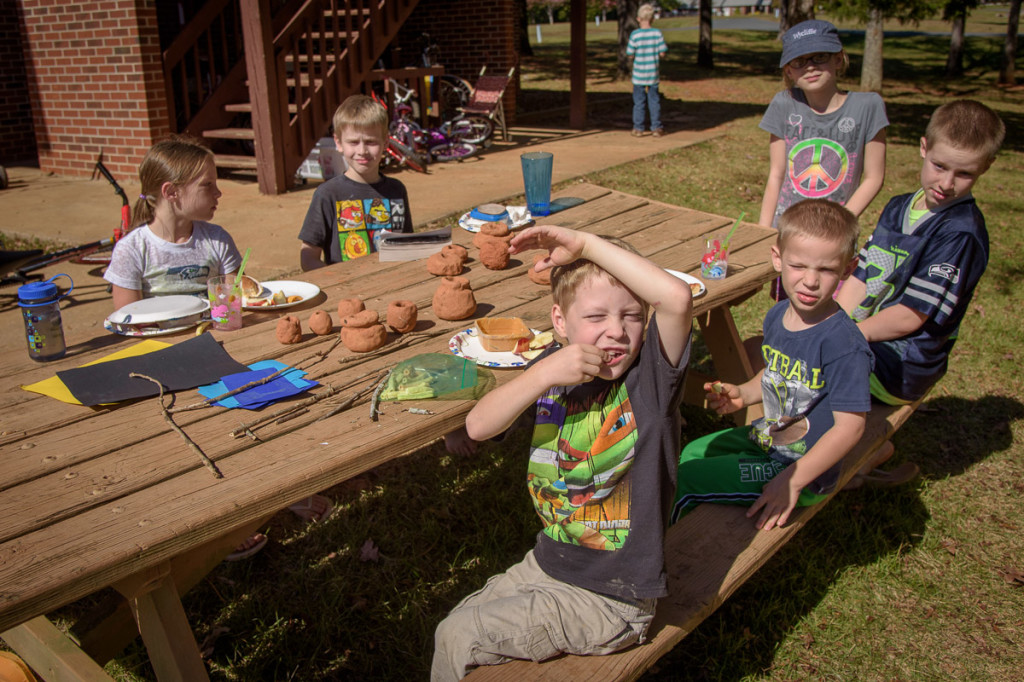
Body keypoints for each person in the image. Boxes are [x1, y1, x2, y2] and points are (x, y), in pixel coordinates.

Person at [431, 226, 693, 680]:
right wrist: (541, 374)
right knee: (449, 627)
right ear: (559, 322)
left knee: (461, 634)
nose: (616, 331)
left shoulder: (651, 382)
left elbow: (677, 298)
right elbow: (477, 426)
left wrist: (587, 245)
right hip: (548, 562)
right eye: (596, 317)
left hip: (612, 599)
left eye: (632, 316)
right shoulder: (553, 368)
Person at [836, 99, 1005, 487]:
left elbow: (912, 315)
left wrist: (842, 338)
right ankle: (857, 449)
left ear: (985, 169)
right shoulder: (898, 208)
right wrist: (834, 323)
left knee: (812, 374)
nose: (946, 183)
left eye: (965, 174)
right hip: (865, 338)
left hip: (902, 362)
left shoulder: (960, 233)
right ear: (924, 147)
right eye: (940, 166)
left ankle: (857, 454)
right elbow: (863, 277)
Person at [673, 199, 871, 529]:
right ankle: (695, 523)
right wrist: (744, 392)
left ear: (847, 270)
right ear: (777, 259)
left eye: (825, 269)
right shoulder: (779, 315)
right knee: (694, 450)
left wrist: (794, 479)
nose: (810, 280)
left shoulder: (844, 344)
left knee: (686, 479)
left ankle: (654, 562)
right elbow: (776, 370)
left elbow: (851, 427)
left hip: (801, 466)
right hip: (770, 438)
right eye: (799, 266)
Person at [758, 20, 888, 231]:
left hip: (834, 231)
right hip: (785, 228)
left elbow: (874, 178)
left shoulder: (868, 106)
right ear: (789, 71)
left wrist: (838, 224)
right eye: (798, 61)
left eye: (819, 57)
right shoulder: (783, 103)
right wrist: (762, 231)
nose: (810, 67)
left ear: (838, 59)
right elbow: (776, 174)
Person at [104, 135, 241, 310]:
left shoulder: (218, 240)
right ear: (171, 192)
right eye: (207, 184)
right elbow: (129, 319)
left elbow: (234, 306)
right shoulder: (131, 250)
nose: (218, 192)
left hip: (211, 334)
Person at [298, 94, 413, 271]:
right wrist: (336, 284)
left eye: (371, 142)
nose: (362, 151)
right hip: (347, 293)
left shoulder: (397, 190)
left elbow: (407, 248)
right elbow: (308, 257)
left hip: (393, 288)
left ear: (385, 143)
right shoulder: (328, 194)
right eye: (353, 142)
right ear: (339, 143)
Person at [626, 4, 668, 138]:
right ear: (652, 19)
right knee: (654, 101)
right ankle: (656, 127)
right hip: (652, 73)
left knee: (639, 102)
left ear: (638, 18)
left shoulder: (635, 35)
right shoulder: (657, 34)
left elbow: (630, 53)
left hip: (638, 74)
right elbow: (662, 52)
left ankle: (638, 128)